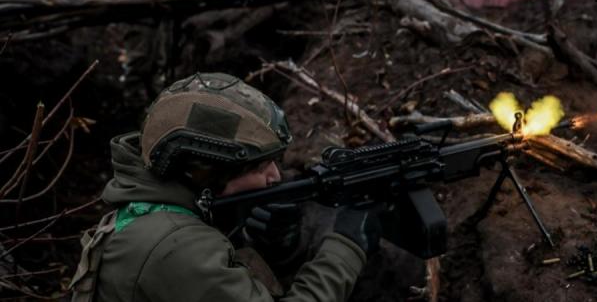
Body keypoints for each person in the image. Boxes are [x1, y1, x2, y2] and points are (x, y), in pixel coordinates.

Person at [69, 73, 382, 302]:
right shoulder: (175, 245)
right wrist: (345, 247)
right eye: (259, 167)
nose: (275, 176)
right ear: (206, 172)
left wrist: (275, 250)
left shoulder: (149, 212)